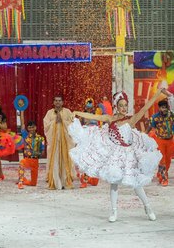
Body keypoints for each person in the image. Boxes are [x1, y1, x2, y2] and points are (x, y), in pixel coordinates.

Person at [69, 89, 166, 223]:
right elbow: (95, 117)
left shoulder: (131, 119)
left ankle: (148, 207)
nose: (124, 108)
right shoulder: (110, 118)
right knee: (114, 182)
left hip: (129, 154)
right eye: (121, 105)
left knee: (137, 183)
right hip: (115, 153)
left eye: (126, 105)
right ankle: (114, 211)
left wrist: (157, 93)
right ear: (116, 106)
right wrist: (77, 113)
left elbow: (146, 107)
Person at [43, 95, 74, 190]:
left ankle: (65, 181)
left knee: (66, 159)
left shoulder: (68, 112)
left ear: (62, 102)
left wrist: (63, 121)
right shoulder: (49, 113)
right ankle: (54, 182)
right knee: (54, 159)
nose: (57, 102)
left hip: (65, 141)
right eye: (56, 100)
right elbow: (46, 126)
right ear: (53, 102)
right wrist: (55, 121)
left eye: (59, 101)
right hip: (54, 142)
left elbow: (73, 124)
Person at [146, 98, 174, 186]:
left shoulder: (172, 115)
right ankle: (164, 178)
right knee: (162, 160)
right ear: (159, 108)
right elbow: (150, 127)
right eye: (162, 107)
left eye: (166, 107)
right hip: (160, 140)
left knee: (168, 160)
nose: (164, 109)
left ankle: (160, 172)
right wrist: (144, 134)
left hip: (170, 140)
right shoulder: (155, 117)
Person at [17, 110, 45, 190]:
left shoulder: (40, 138)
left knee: (33, 184)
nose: (31, 129)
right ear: (27, 128)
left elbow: (42, 152)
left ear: (35, 127)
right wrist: (22, 110)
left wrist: (39, 152)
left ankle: (24, 180)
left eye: (33, 127)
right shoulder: (25, 135)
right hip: (27, 159)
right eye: (29, 127)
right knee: (21, 164)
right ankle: (20, 182)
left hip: (35, 161)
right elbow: (22, 124)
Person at [77, 98, 100, 188]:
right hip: (85, 140)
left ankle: (91, 178)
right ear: (85, 107)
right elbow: (78, 128)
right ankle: (84, 180)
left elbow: (99, 127)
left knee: (93, 160)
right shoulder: (82, 116)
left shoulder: (97, 115)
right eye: (87, 107)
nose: (89, 109)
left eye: (90, 108)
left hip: (93, 140)